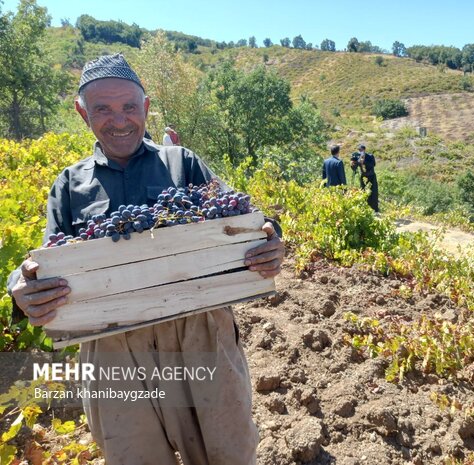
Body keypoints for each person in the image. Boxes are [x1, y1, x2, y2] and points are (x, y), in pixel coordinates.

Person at [6, 53, 285, 465]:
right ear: (83, 114)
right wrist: (21, 287)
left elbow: (242, 216)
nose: (119, 120)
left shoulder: (182, 162)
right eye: (103, 108)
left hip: (199, 334)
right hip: (112, 344)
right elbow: (46, 257)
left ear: (146, 108)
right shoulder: (69, 184)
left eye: (129, 107)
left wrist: (271, 238)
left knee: (228, 453)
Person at [350, 144, 379, 212]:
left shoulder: (370, 156)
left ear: (364, 150)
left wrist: (364, 162)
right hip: (363, 176)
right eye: (359, 150)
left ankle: (374, 209)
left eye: (361, 150)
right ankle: (365, 208)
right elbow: (354, 168)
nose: (360, 151)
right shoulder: (357, 157)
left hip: (371, 176)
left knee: (373, 193)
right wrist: (353, 163)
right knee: (363, 192)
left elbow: (373, 164)